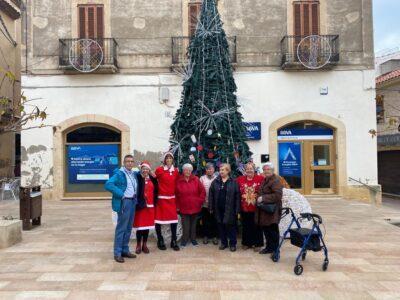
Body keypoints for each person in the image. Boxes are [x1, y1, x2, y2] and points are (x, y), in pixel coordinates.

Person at [105, 154, 143, 263]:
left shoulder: (133, 174)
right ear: (124, 163)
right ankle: (117, 253)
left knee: (128, 228)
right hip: (124, 202)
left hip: (132, 202)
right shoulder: (119, 173)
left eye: (131, 161)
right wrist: (120, 194)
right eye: (128, 161)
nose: (130, 163)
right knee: (121, 228)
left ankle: (125, 250)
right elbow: (108, 184)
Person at [209, 163, 241, 252]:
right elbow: (211, 196)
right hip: (218, 209)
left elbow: (237, 196)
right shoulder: (215, 182)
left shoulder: (233, 182)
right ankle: (223, 243)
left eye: (223, 170)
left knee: (231, 227)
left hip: (230, 209)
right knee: (221, 226)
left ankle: (233, 244)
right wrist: (211, 207)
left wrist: (237, 209)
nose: (221, 171)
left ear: (228, 171)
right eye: (220, 170)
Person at [154, 152, 180, 251]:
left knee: (173, 221)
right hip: (161, 199)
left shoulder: (176, 171)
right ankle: (160, 240)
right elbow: (153, 179)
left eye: (170, 158)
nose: (169, 159)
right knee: (159, 220)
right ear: (164, 160)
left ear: (173, 160)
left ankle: (174, 240)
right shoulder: (159, 170)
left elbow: (177, 184)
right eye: (167, 158)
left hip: (172, 199)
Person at [256, 162, 283, 255]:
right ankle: (268, 248)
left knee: (273, 231)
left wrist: (263, 198)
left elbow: (278, 195)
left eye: (268, 169)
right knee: (266, 230)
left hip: (273, 210)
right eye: (264, 169)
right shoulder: (265, 179)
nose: (266, 171)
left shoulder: (276, 180)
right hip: (265, 209)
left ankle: (275, 250)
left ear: (272, 170)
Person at [175, 163, 206, 247]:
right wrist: (177, 206)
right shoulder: (179, 180)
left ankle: (193, 240)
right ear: (183, 171)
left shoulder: (196, 179)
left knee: (193, 225)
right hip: (183, 207)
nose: (187, 171)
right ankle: (184, 240)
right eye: (186, 170)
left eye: (189, 170)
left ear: (191, 171)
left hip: (195, 207)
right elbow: (176, 195)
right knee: (185, 225)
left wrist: (199, 201)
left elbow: (202, 191)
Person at [236, 162, 264, 251]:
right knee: (246, 226)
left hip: (257, 207)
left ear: (254, 169)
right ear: (245, 170)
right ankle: (246, 243)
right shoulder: (240, 179)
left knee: (257, 226)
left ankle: (258, 243)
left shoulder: (261, 178)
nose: (249, 170)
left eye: (251, 168)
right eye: (247, 168)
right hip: (244, 207)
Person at [133, 161, 158, 254]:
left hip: (150, 206)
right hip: (141, 206)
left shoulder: (152, 178)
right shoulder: (138, 178)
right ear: (141, 169)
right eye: (143, 169)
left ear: (149, 170)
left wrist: (154, 202)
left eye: (147, 169)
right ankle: (138, 245)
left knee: (146, 227)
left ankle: (145, 244)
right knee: (140, 227)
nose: (145, 171)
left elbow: (157, 190)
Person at [200, 163, 218, 245]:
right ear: (205, 170)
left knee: (215, 221)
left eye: (211, 169)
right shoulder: (202, 178)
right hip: (205, 204)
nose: (209, 170)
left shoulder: (217, 178)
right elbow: (199, 190)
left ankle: (215, 236)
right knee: (205, 221)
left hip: (215, 205)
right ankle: (205, 236)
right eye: (207, 169)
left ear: (214, 170)